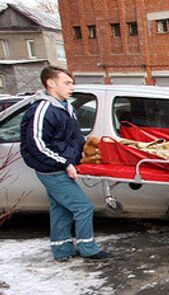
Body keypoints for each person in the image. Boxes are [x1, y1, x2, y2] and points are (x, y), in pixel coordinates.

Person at [20, 66, 112, 262]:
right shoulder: (42, 109)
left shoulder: (66, 107)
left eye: (72, 82)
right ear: (51, 83)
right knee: (83, 207)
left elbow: (73, 138)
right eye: (67, 83)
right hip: (52, 170)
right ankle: (88, 248)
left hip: (60, 167)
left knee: (60, 208)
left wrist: (86, 150)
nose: (72, 87)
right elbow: (36, 145)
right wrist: (65, 164)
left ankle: (62, 250)